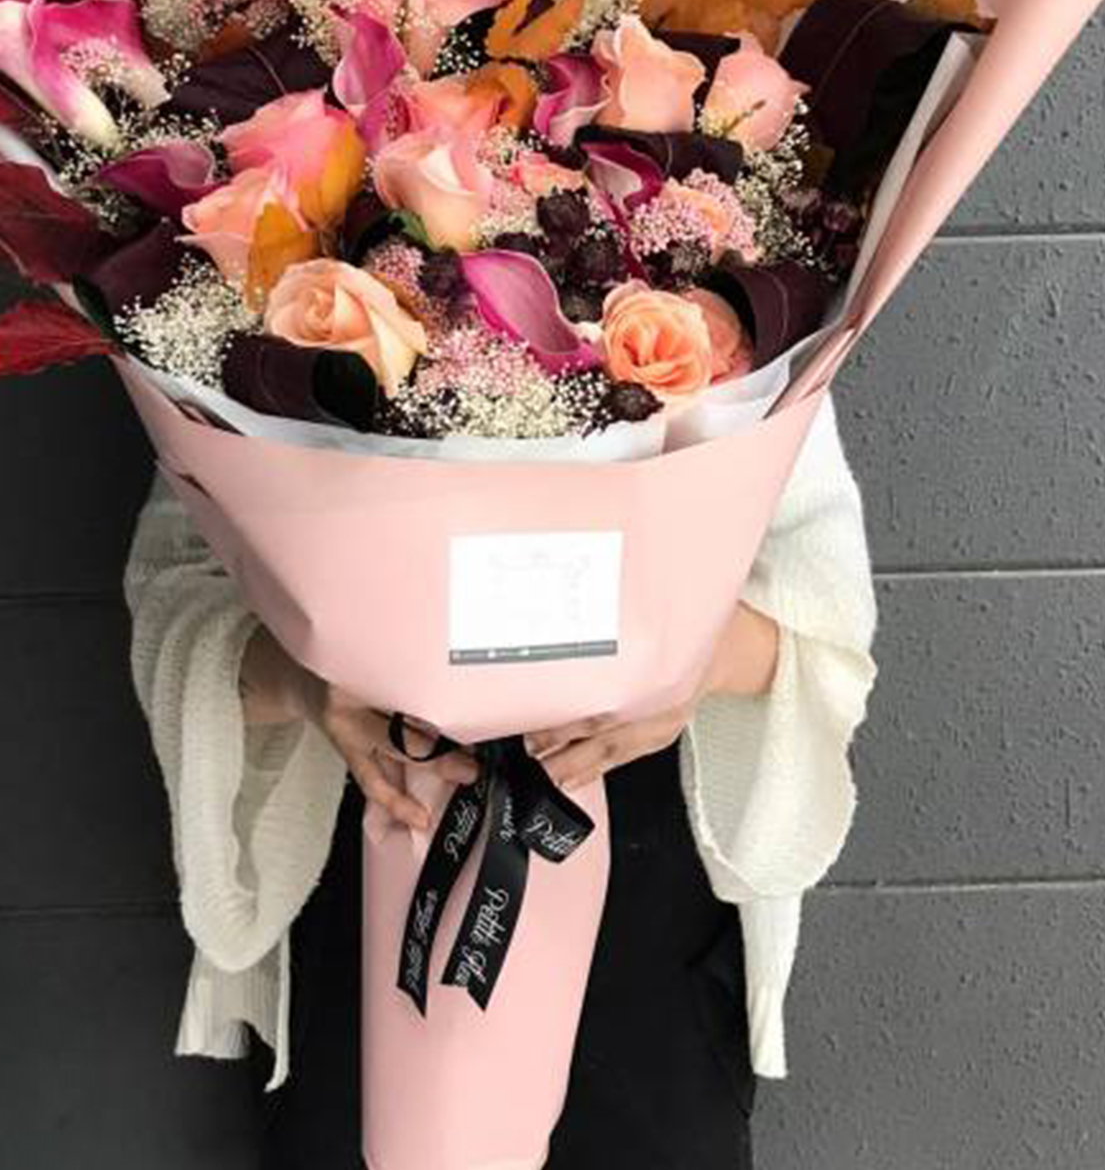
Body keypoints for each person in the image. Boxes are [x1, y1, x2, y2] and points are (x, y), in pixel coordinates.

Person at [127, 391, 877, 1168]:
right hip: (378, 872)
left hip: (646, 913)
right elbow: (175, 595)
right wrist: (306, 679)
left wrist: (695, 663)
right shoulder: (263, 335)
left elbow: (826, 630)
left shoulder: (724, 346)